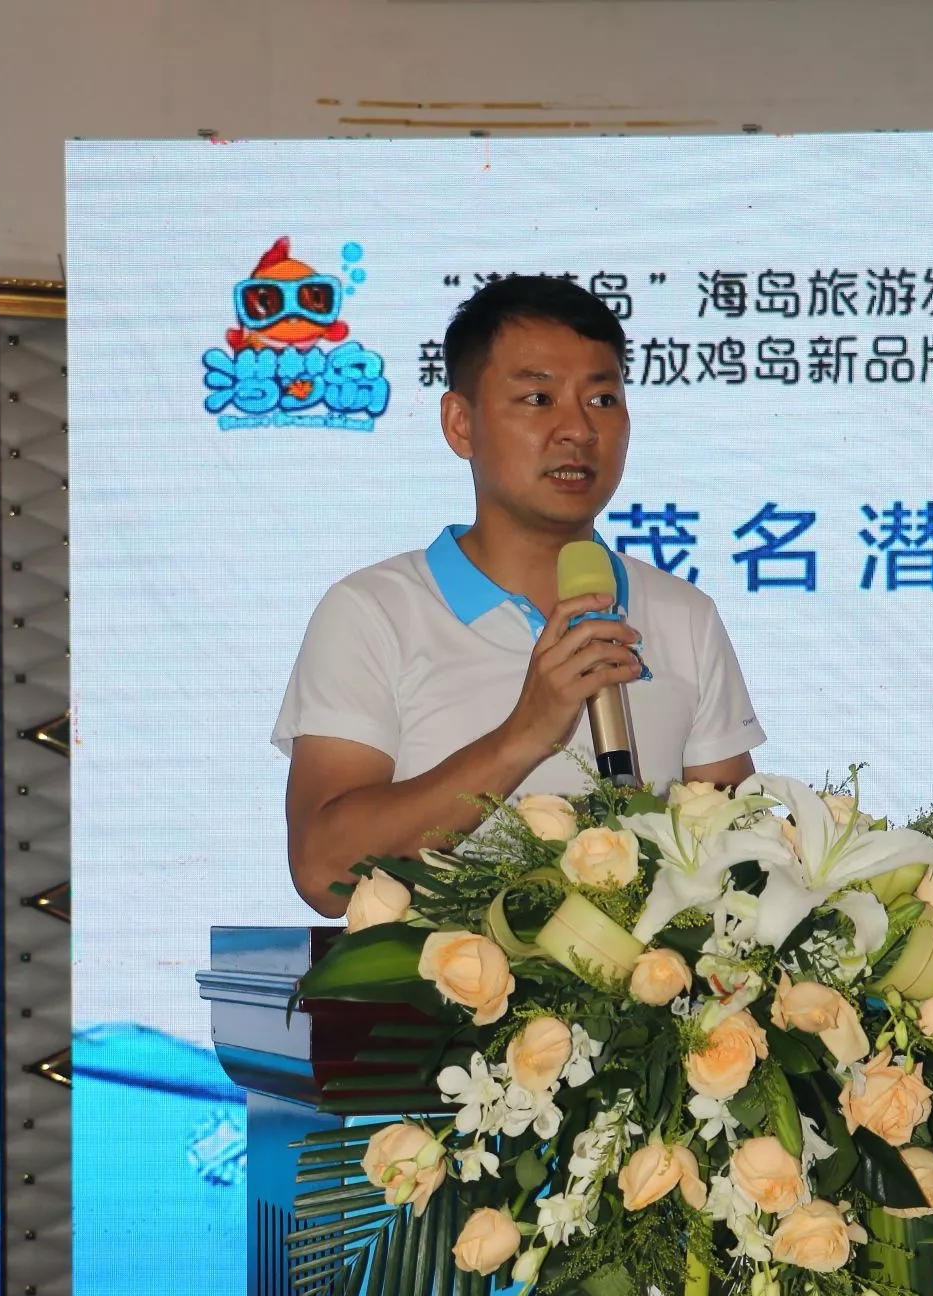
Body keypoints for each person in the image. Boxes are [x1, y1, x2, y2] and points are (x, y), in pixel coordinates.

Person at [275, 274, 763, 913]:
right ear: (460, 424)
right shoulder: (373, 613)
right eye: (538, 397)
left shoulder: (684, 616)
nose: (578, 429)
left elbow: (743, 877)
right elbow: (324, 871)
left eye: (603, 399)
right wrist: (525, 734)